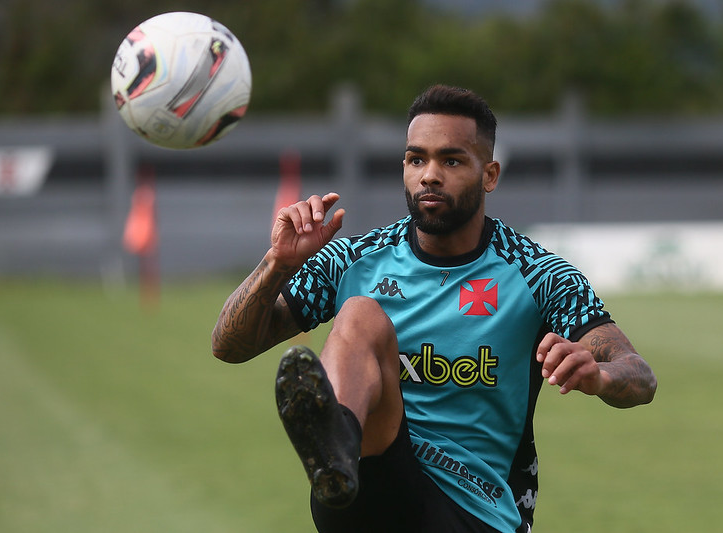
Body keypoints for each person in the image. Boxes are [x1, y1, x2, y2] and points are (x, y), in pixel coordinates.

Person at [211, 85, 657, 533]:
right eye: (416, 159)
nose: (429, 175)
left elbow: (638, 374)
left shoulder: (538, 274)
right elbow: (228, 346)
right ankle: (333, 454)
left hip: (476, 510)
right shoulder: (352, 259)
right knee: (359, 315)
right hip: (368, 488)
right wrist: (278, 264)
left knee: (361, 315)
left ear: (490, 174)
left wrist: (599, 376)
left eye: (452, 160)